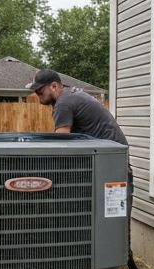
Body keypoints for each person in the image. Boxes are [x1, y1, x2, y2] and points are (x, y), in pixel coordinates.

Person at [26, 67, 132, 217]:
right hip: (113, 161)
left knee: (113, 219)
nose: (38, 95)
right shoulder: (70, 96)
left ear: (54, 86)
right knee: (110, 219)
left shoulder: (64, 103)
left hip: (110, 165)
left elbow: (60, 143)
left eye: (40, 91)